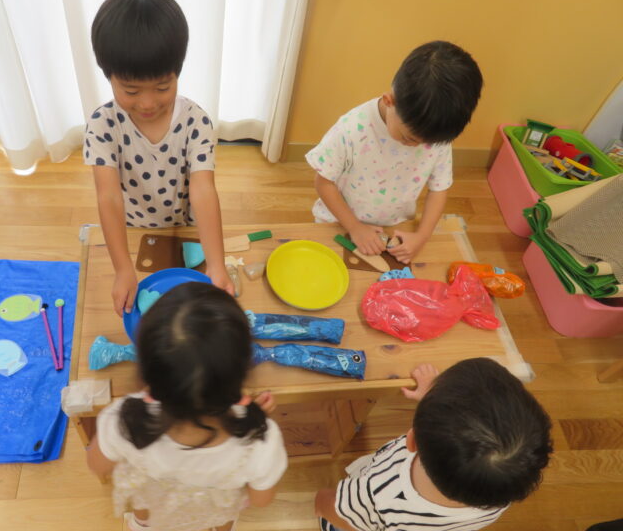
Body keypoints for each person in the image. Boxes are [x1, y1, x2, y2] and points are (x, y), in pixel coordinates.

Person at [86, 282, 288, 531]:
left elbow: (97, 464)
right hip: (214, 515)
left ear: (147, 373)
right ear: (240, 376)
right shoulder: (261, 441)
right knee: (224, 522)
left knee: (144, 515)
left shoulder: (123, 419)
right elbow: (261, 499)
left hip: (151, 510)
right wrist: (250, 418)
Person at [85, 0, 232, 316]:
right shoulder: (102, 124)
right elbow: (108, 197)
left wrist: (218, 265)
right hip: (135, 231)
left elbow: (203, 189)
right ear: (108, 76)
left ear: (177, 72)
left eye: (163, 87)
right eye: (131, 90)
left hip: (186, 225)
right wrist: (123, 269)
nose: (148, 103)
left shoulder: (196, 121)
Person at [315, 358, 553, 531]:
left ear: (412, 440)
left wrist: (322, 499)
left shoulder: (377, 493)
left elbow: (337, 512)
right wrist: (430, 396)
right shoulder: (499, 490)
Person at [306, 41, 483, 264]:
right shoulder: (351, 128)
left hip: (392, 229)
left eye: (426, 143)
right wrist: (355, 227)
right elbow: (323, 183)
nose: (416, 147)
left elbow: (439, 189)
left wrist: (421, 236)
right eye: (409, 138)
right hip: (337, 223)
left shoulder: (434, 135)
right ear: (390, 101)